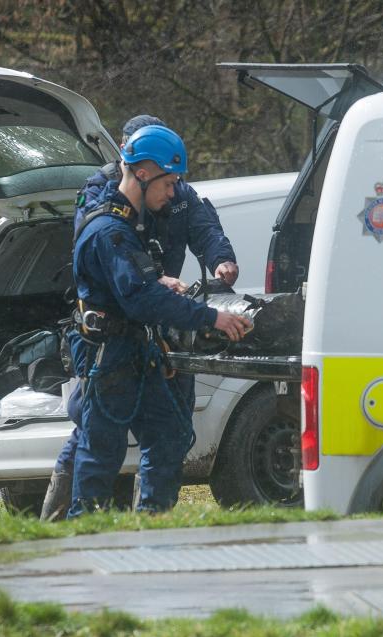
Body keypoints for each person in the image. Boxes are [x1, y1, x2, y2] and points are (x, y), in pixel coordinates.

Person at [39, 115, 240, 520]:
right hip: (108, 352)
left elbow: (199, 229)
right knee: (98, 450)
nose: (173, 191)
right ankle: (79, 538)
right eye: (168, 183)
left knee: (171, 434)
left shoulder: (138, 221)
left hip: (142, 346)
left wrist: (219, 259)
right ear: (143, 173)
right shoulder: (108, 229)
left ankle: (153, 526)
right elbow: (141, 297)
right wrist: (209, 318)